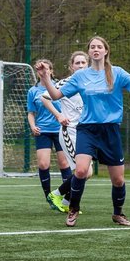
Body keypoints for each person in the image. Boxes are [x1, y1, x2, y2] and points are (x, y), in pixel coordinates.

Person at [38, 36, 130, 227]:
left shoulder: (117, 72)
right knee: (81, 171)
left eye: (99, 47)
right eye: (92, 47)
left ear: (106, 51)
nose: (96, 49)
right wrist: (46, 78)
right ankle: (72, 209)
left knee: (118, 179)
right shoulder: (80, 76)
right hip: (87, 129)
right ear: (89, 52)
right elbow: (55, 95)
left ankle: (118, 213)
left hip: (110, 130)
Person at [44, 50, 88, 212]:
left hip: (86, 132)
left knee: (84, 172)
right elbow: (44, 97)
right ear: (71, 67)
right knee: (86, 171)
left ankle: (66, 202)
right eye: (77, 63)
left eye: (84, 62)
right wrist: (58, 115)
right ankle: (56, 195)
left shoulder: (91, 83)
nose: (81, 65)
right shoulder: (67, 82)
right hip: (70, 132)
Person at [27, 58, 73, 211]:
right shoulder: (33, 91)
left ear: (52, 71)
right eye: (41, 69)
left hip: (61, 129)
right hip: (43, 131)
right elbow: (31, 113)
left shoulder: (60, 87)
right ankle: (49, 197)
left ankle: (66, 198)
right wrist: (33, 126)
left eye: (47, 68)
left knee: (64, 164)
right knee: (43, 164)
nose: (44, 71)